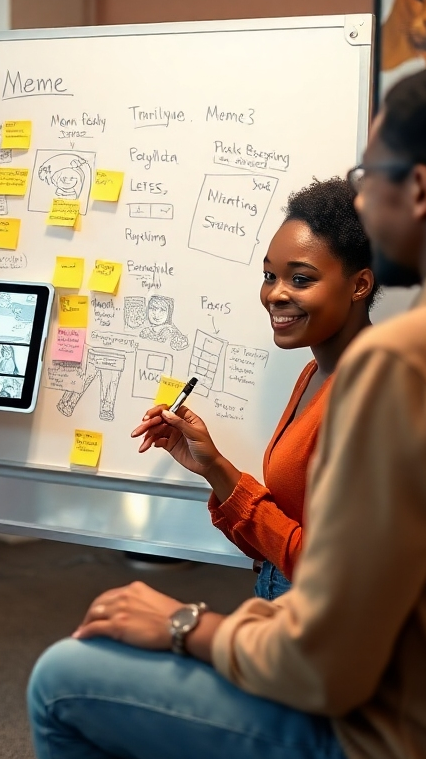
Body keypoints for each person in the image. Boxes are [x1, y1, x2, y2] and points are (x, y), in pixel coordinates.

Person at [28, 58, 426, 759]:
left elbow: (329, 659)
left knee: (61, 680)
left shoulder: (404, 361)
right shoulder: (346, 368)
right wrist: (218, 473)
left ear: (418, 189)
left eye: (371, 172)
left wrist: (186, 624)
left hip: (397, 755)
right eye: (271, 274)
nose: (277, 294)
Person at [131, 178, 375, 600]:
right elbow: (282, 533)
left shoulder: (370, 397)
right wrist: (212, 465)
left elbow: (324, 569)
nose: (274, 294)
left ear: (359, 285)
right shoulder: (312, 375)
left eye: (300, 279)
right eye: (269, 275)